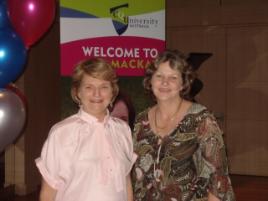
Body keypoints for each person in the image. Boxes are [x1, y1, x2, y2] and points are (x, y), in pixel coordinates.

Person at [131, 49, 235, 201]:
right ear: (150, 81)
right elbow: (135, 173)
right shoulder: (141, 120)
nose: (165, 82)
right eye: (159, 76)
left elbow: (218, 179)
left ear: (183, 83)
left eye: (173, 77)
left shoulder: (201, 119)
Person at [35, 58, 137, 201]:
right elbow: (48, 193)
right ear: (77, 92)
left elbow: (126, 183)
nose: (97, 94)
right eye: (89, 87)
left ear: (112, 92)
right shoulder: (61, 133)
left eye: (104, 87)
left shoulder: (122, 130)